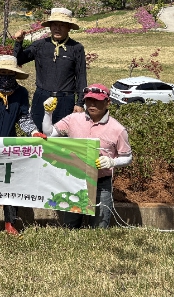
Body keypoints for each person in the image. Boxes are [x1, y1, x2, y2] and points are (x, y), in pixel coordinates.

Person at [42, 83, 133, 229]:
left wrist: (112, 162)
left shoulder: (118, 129)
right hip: (75, 180)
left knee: (99, 228)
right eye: (89, 100)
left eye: (97, 100)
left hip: (101, 183)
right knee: (70, 227)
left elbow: (128, 157)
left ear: (108, 102)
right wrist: (48, 113)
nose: (92, 104)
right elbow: (48, 134)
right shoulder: (73, 119)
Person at [0, 55, 44, 235]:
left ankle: (10, 221)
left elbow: (23, 117)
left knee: (9, 180)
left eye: (9, 73)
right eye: (2, 72)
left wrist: (33, 132)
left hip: (8, 144)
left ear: (15, 74)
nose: (6, 76)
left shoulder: (21, 94)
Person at [13, 7, 87, 131]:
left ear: (69, 27)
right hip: (41, 97)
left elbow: (81, 77)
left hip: (65, 100)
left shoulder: (76, 48)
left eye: (62, 25)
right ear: (50, 26)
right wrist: (19, 42)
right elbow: (18, 60)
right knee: (37, 135)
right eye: (54, 24)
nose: (57, 28)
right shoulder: (40, 45)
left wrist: (80, 103)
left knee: (62, 137)